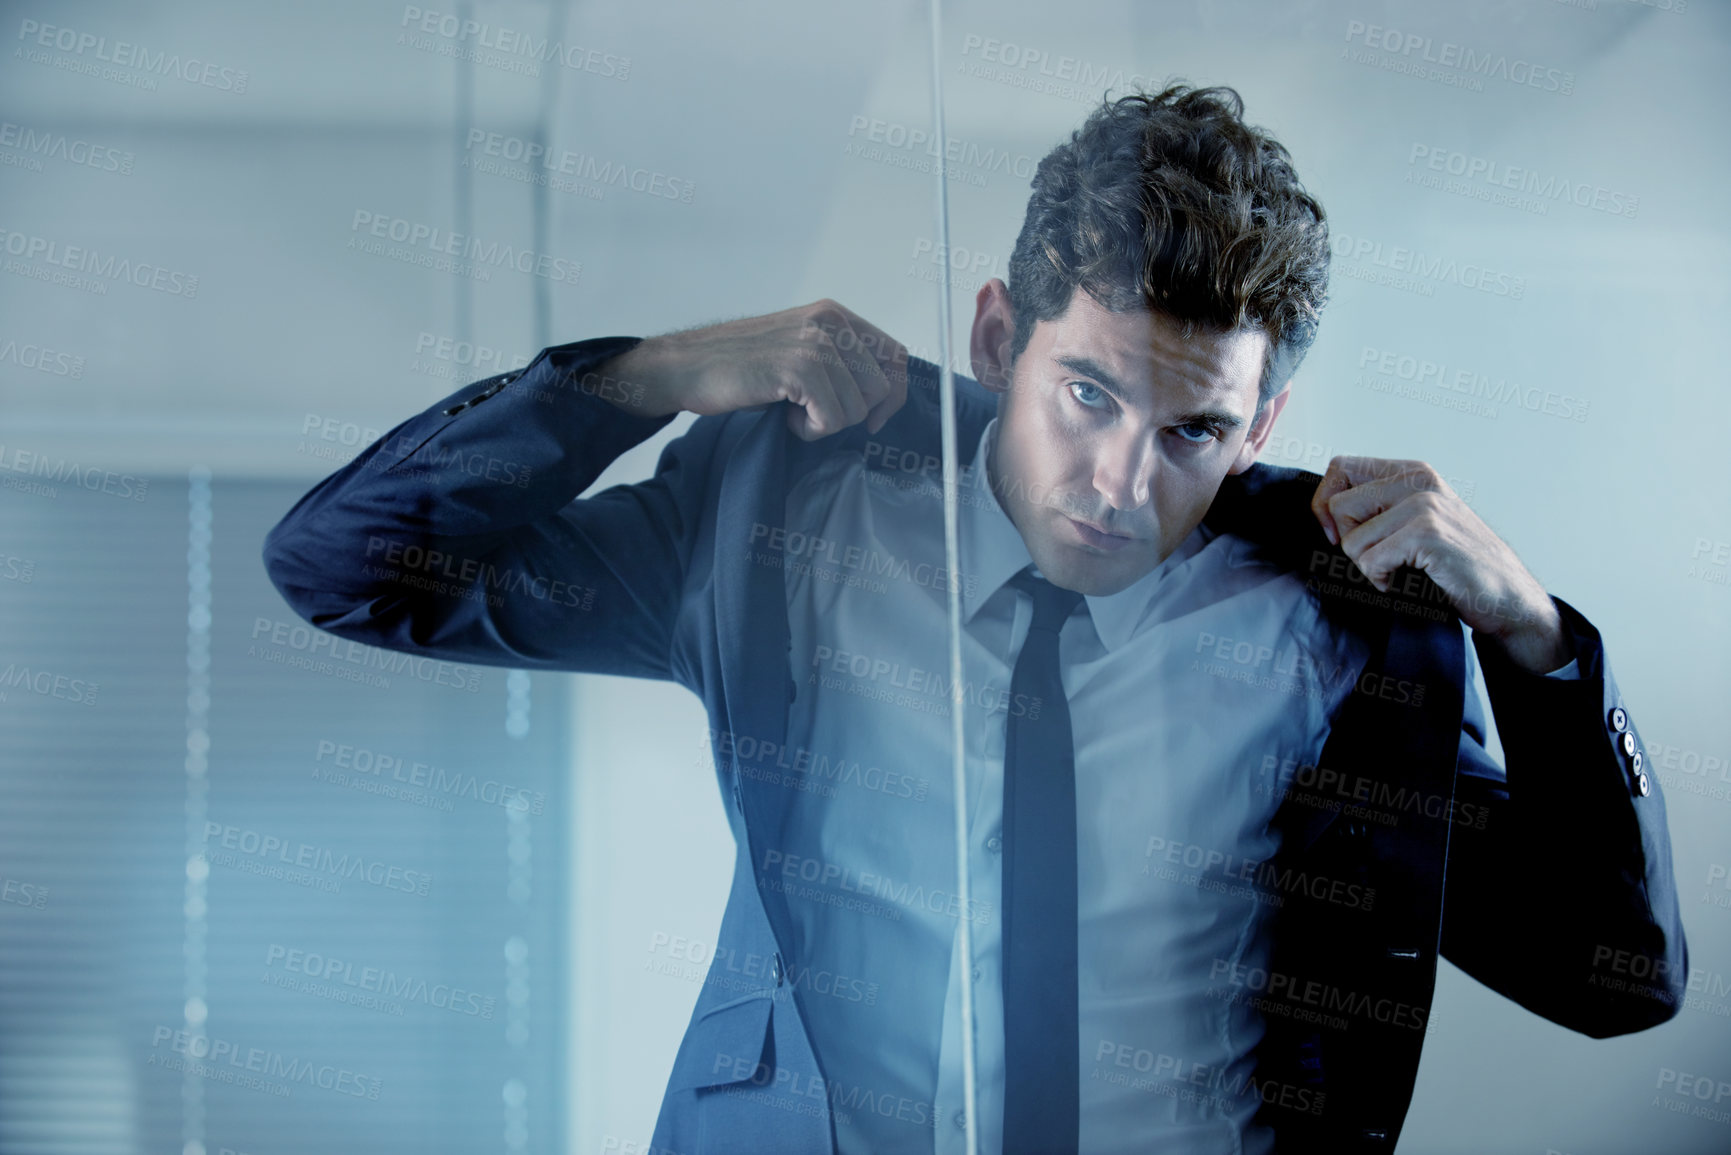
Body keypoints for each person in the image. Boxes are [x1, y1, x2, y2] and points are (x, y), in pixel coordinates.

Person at [262, 85, 1686, 1153]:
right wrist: (643, 377)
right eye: (1090, 395)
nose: (1125, 486)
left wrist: (1534, 638)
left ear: (1264, 424)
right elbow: (346, 564)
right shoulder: (783, 523)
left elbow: (1616, 980)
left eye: (1194, 431)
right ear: (1001, 337)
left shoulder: (1333, 626)